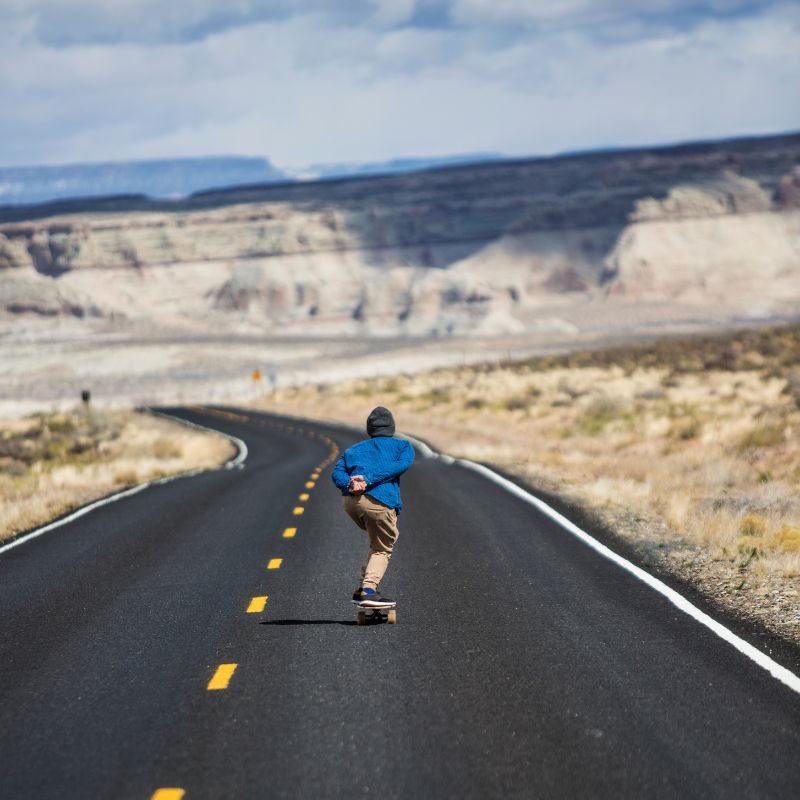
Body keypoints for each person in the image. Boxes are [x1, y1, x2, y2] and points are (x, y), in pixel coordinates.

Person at [331, 406, 415, 606]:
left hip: (351, 502)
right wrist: (367, 480)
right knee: (383, 547)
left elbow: (337, 472)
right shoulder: (403, 446)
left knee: (377, 542)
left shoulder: (353, 450)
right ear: (392, 427)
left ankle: (361, 589)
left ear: (370, 429)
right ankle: (369, 589)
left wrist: (350, 483)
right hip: (379, 502)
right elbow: (398, 466)